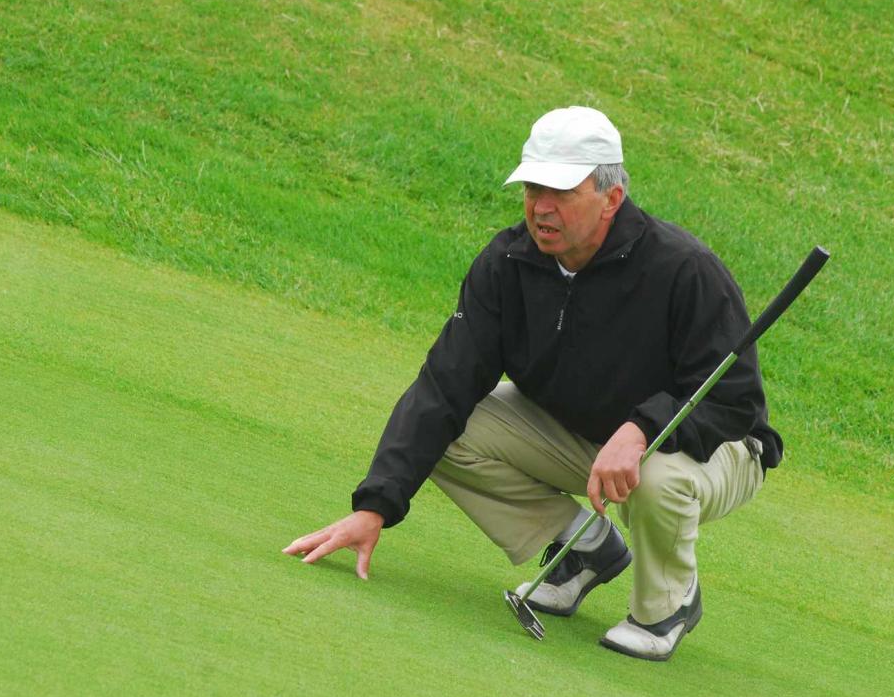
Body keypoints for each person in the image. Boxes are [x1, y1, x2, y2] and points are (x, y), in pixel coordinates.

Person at [284, 106, 780, 661]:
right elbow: (444, 385)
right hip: (587, 434)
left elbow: (734, 399)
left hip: (717, 448)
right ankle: (585, 546)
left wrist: (642, 429)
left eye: (561, 192)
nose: (541, 207)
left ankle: (667, 605)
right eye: (533, 188)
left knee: (656, 474)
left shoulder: (684, 268)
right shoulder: (509, 263)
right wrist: (375, 506)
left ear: (611, 198)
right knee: (451, 428)